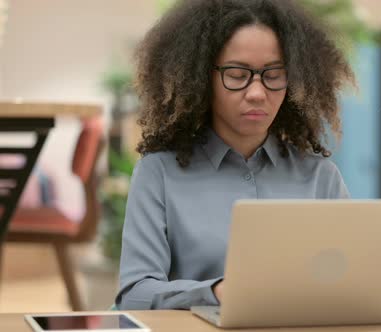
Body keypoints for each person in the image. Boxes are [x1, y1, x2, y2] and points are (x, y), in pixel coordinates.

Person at [115, 0, 355, 310]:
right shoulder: (158, 173)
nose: (257, 93)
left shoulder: (321, 178)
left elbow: (350, 281)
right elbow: (134, 294)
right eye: (237, 74)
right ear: (202, 78)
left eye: (273, 74)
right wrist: (215, 292)